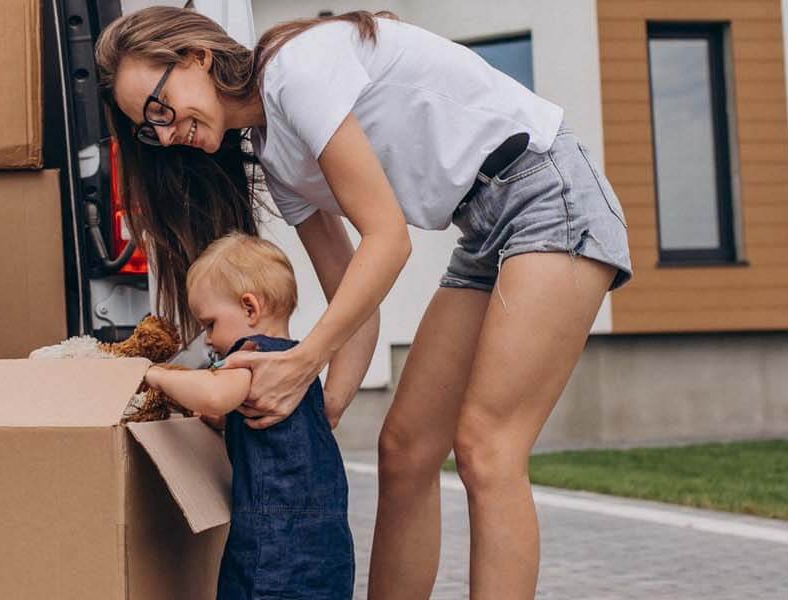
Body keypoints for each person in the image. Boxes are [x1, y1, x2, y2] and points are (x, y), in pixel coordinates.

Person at [97, 7, 633, 599]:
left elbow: (388, 240)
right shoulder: (277, 159)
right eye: (150, 130)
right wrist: (317, 410)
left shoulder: (294, 72)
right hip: (483, 227)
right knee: (403, 451)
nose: (167, 134)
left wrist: (301, 365)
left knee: (487, 448)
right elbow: (350, 291)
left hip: (546, 192)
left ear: (195, 56)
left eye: (159, 108)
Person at [144, 233, 353, 600]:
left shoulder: (252, 357)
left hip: (275, 549)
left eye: (209, 324)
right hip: (326, 548)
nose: (207, 341)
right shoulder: (298, 368)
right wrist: (223, 422)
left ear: (250, 308)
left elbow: (215, 394)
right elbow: (263, 424)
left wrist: (158, 375)